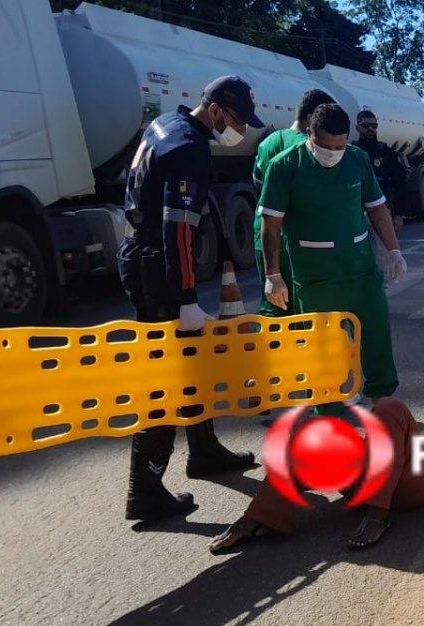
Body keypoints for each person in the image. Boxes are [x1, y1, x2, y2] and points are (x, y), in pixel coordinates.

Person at [117, 75, 264, 525]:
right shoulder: (190, 149)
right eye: (236, 119)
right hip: (157, 268)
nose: (239, 129)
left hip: (145, 257)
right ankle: (144, 488)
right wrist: (185, 297)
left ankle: (204, 451)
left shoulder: (165, 125)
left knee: (192, 362)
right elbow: (177, 228)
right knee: (168, 373)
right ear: (216, 109)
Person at [208, 399, 424, 552]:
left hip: (416, 479)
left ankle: (378, 514)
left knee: (391, 408)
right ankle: (260, 517)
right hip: (375, 469)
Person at [259, 104, 407, 403]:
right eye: (326, 146)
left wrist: (394, 251)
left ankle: (384, 402)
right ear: (309, 134)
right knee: (323, 348)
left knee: (376, 336)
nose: (333, 153)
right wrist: (273, 276)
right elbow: (270, 226)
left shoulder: (357, 159)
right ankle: (331, 409)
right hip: (314, 275)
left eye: (340, 146)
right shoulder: (284, 166)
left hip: (360, 269)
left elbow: (377, 210)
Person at [251, 88, 337, 316]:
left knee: (275, 305)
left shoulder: (268, 143)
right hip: (302, 239)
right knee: (308, 309)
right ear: (312, 118)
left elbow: (259, 186)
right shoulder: (311, 149)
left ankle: (276, 350)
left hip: (267, 235)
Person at [354, 109, 409, 287]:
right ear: (357, 127)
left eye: (374, 126)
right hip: (355, 214)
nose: (370, 129)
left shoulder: (385, 152)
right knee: (357, 260)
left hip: (380, 213)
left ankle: (380, 302)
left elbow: (400, 183)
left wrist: (398, 214)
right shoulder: (351, 152)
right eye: (365, 126)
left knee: (382, 261)